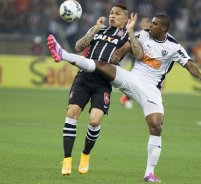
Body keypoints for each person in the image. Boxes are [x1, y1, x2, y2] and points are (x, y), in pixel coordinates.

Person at [47, 14, 201, 182]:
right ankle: (63, 54)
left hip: (151, 89)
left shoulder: (174, 46)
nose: (150, 25)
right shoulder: (143, 34)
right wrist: (118, 55)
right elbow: (126, 46)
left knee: (156, 126)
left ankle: (149, 173)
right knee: (101, 65)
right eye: (151, 23)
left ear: (163, 28)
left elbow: (189, 65)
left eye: (155, 24)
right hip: (131, 79)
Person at [58, 4, 130, 176]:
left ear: (125, 19)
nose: (112, 16)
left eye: (117, 14)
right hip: (84, 77)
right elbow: (78, 47)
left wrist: (132, 32)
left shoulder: (127, 36)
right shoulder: (98, 29)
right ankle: (67, 160)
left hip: (103, 81)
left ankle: (85, 155)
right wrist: (94, 29)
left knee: (95, 121)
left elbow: (134, 51)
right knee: (72, 112)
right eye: (111, 13)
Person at [120, 16, 151, 109]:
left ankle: (127, 98)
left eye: (145, 23)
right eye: (142, 22)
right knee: (136, 83)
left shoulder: (151, 36)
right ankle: (126, 98)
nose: (143, 24)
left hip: (147, 64)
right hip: (136, 62)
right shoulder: (136, 34)